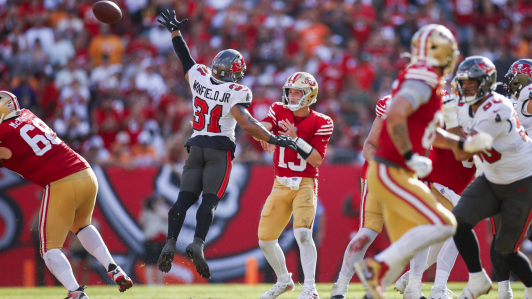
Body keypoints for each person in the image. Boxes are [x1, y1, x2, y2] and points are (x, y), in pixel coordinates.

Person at [353, 24, 493, 299]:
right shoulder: (424, 77)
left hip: (392, 172)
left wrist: (462, 145)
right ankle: (377, 269)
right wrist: (408, 155)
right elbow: (395, 115)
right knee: (443, 225)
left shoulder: (424, 80)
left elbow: (432, 133)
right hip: (394, 170)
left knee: (411, 244)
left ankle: (384, 281)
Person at [156, 9, 297, 280]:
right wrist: (277, 140)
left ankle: (170, 241)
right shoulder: (237, 91)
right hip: (219, 150)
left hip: (195, 146)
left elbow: (184, 57)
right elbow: (247, 124)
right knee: (208, 201)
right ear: (235, 72)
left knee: (182, 199)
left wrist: (175, 32)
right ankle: (197, 243)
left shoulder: (198, 76)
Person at [0, 91, 132, 299]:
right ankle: (113, 268)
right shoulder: (27, 114)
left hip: (62, 181)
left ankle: (76, 293)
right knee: (82, 226)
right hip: (86, 172)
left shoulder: (4, 132)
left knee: (49, 250)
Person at [450, 56, 532, 299]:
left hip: (523, 174)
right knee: (500, 241)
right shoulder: (485, 105)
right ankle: (501, 289)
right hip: (497, 172)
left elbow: (465, 146)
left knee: (508, 243)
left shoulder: (502, 106)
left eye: (522, 80)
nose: (517, 85)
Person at [392, 86, 478, 299]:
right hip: (441, 182)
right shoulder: (449, 111)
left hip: (458, 185)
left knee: (442, 235)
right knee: (459, 231)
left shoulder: (482, 111)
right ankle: (436, 288)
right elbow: (460, 151)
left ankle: (411, 279)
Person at [255, 72, 332, 299]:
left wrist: (295, 139)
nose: (292, 95)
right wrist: (260, 131)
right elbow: (263, 125)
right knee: (265, 240)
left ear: (309, 95)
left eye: (297, 92)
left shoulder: (322, 121)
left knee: (303, 234)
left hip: (305, 184)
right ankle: (284, 280)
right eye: (290, 91)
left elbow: (316, 159)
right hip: (280, 184)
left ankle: (310, 288)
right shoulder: (278, 109)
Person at [330, 95, 390, 299]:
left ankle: (414, 287)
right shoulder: (390, 106)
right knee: (366, 234)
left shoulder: (434, 107)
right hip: (380, 176)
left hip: (409, 179)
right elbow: (368, 148)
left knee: (424, 231)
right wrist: (393, 167)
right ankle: (340, 287)